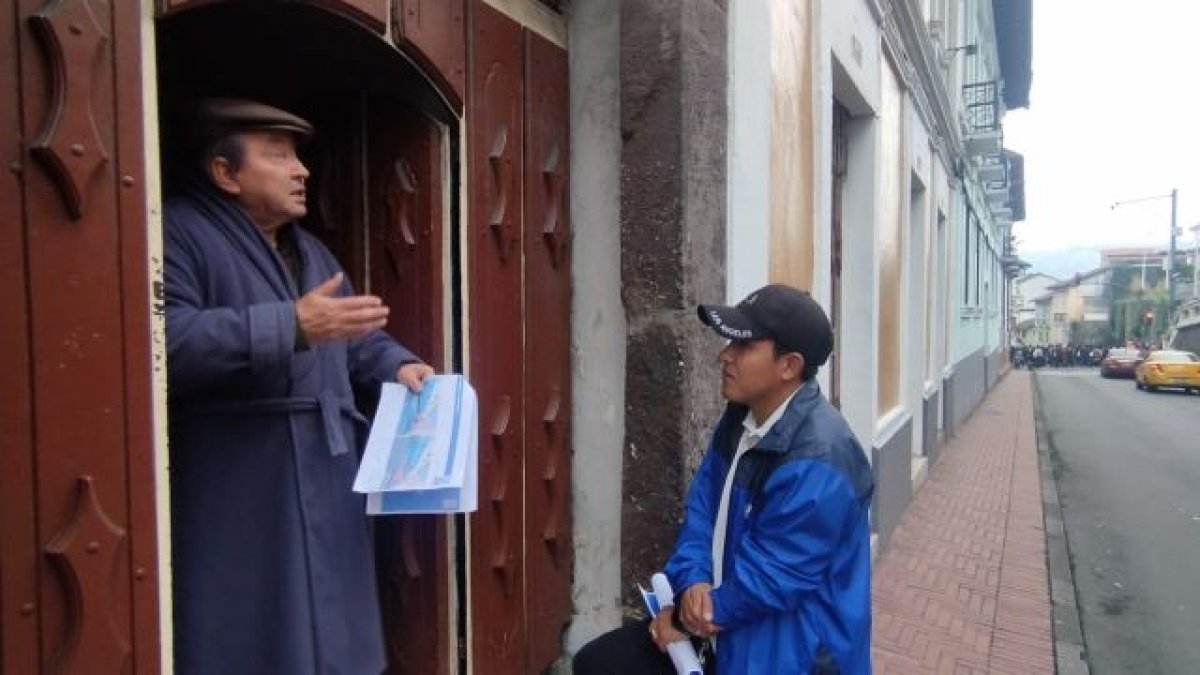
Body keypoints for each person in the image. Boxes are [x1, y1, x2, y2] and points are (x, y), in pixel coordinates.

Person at [164, 98, 435, 674]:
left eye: (298, 157)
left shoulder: (310, 251)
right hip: (242, 478)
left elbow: (354, 337)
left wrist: (396, 364)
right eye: (279, 156)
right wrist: (289, 325)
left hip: (328, 469)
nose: (302, 170)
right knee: (253, 635)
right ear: (225, 173)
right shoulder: (177, 232)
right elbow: (166, 343)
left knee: (337, 637)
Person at [574, 285, 874, 674]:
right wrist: (692, 581)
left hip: (789, 654)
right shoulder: (740, 417)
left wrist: (685, 620)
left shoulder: (820, 459)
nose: (724, 355)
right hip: (718, 622)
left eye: (743, 346)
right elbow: (702, 509)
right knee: (596, 663)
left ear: (789, 366)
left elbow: (774, 578)